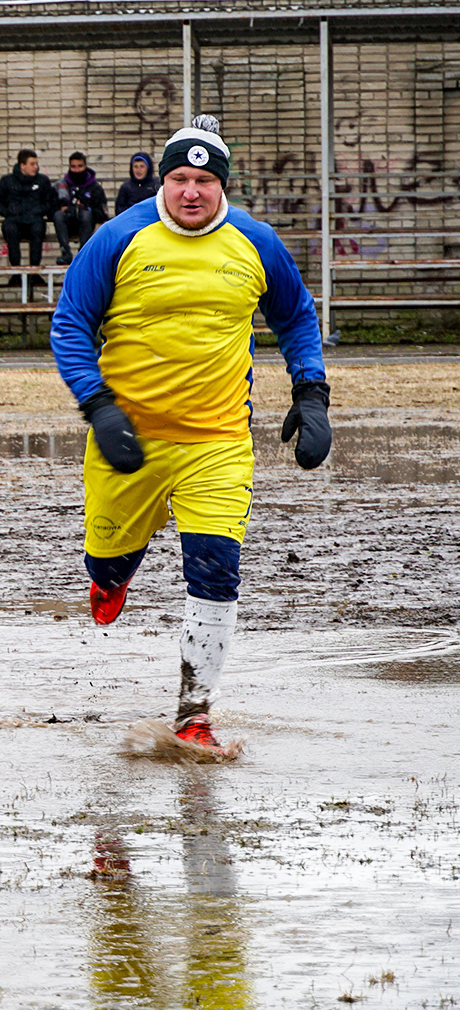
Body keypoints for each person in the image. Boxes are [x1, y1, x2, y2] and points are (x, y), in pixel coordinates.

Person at [50, 115, 332, 756]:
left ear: (222, 185)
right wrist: (99, 409)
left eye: (205, 180)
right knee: (109, 560)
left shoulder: (256, 241)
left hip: (217, 441)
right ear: (163, 181)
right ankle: (111, 573)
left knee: (215, 572)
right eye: (179, 177)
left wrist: (311, 394)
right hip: (130, 440)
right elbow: (70, 325)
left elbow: (296, 316)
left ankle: (194, 714)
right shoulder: (118, 238)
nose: (191, 191)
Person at [0, 149, 59, 293]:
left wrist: (39, 211)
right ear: (22, 165)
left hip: (34, 220)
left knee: (38, 228)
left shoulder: (42, 181)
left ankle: (34, 271)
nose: (35, 167)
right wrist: (7, 212)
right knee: (10, 229)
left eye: (36, 164)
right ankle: (16, 272)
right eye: (32, 164)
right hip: (14, 220)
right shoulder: (7, 181)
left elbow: (51, 201)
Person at [55, 151, 110, 263]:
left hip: (87, 226)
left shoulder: (95, 188)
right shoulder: (62, 185)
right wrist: (67, 208)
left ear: (85, 166)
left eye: (80, 166)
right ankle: (65, 253)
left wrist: (87, 208)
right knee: (58, 215)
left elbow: (103, 213)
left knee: (85, 215)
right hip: (68, 225)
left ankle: (83, 254)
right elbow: (52, 207)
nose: (77, 170)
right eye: (73, 167)